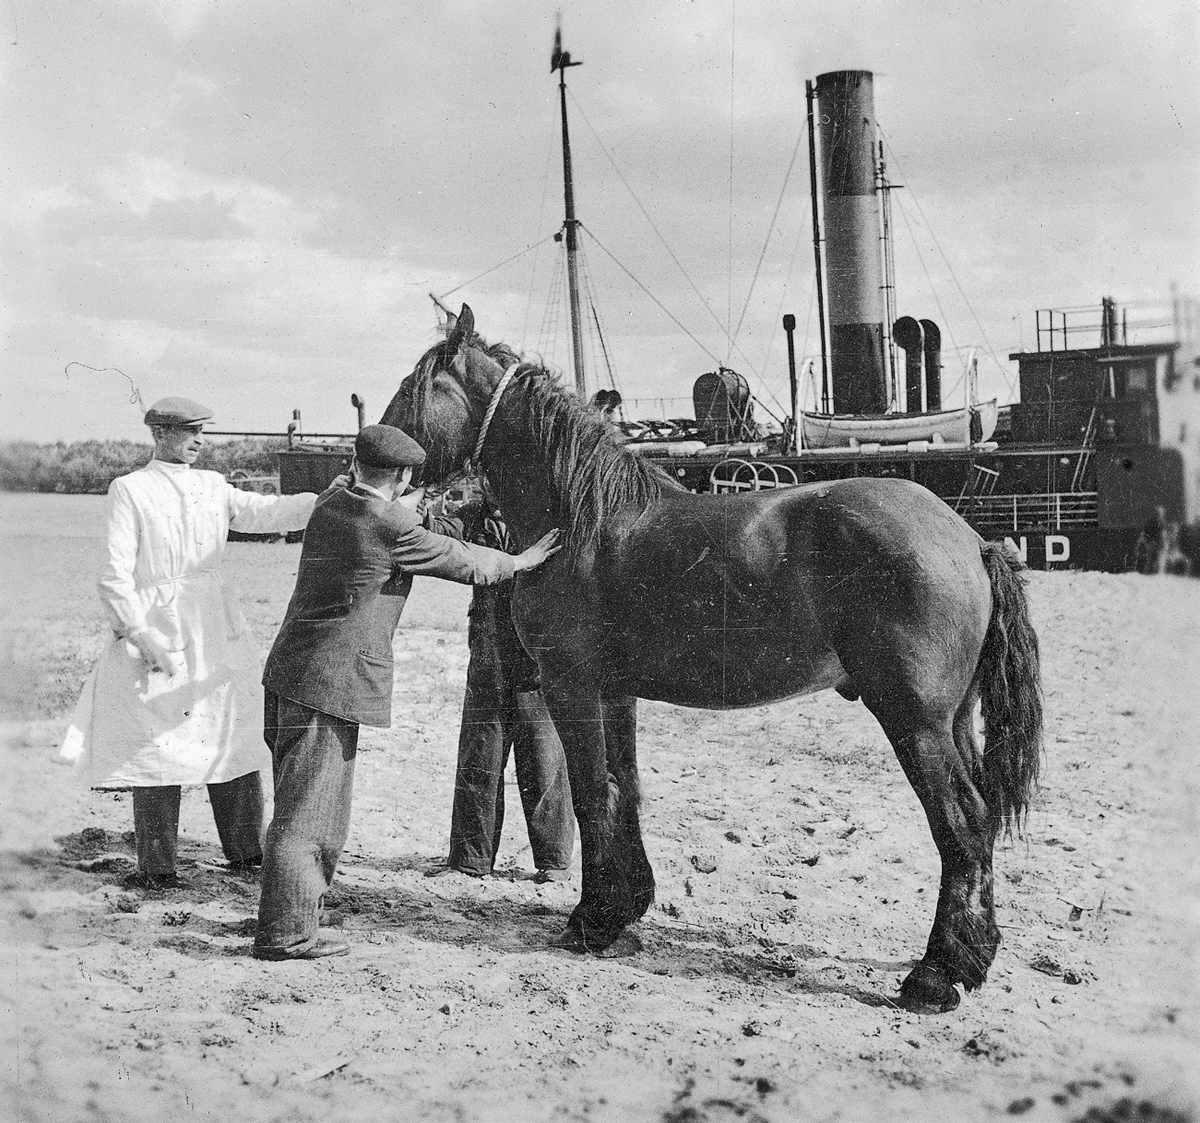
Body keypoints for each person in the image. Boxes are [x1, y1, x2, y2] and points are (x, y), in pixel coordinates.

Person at [252, 424, 560, 962]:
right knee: (313, 815)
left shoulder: (334, 500)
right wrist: (523, 559)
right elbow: (467, 561)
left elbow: (392, 508)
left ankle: (287, 911)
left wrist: (415, 497)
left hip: (289, 673)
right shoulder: (390, 523)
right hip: (331, 682)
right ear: (403, 475)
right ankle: (287, 935)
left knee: (293, 803)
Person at [60, 396, 325, 890]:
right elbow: (114, 575)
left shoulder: (213, 485)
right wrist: (139, 634)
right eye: (189, 431)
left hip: (214, 624)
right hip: (156, 628)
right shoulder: (130, 489)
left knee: (231, 731)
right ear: (159, 434)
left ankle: (247, 852)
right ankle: (157, 867)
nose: (200, 440)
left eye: (203, 431)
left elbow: (266, 513)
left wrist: (326, 498)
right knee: (157, 741)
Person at [427, 498, 575, 883]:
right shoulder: (473, 514)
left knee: (544, 758)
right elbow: (439, 529)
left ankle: (554, 860)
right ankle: (469, 860)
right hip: (489, 651)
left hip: (537, 657)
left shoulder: (550, 512)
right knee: (479, 753)